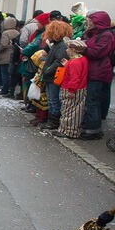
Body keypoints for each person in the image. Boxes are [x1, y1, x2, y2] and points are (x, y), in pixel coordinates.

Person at [80, 11, 113, 141]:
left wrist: (83, 48)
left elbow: (98, 52)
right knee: (90, 100)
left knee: (93, 101)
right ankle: (90, 126)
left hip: (98, 72)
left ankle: (93, 130)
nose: (88, 23)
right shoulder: (95, 34)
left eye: (91, 20)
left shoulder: (106, 35)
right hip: (92, 70)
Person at [40, 20, 74, 130]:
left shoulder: (61, 46)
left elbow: (59, 61)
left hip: (54, 76)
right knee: (52, 99)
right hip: (52, 76)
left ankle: (54, 122)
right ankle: (53, 121)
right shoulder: (58, 45)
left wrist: (48, 70)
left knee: (53, 99)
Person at [54, 39, 89, 139]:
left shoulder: (75, 62)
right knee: (76, 109)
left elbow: (75, 77)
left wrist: (71, 90)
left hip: (71, 89)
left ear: (74, 50)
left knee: (69, 110)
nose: (67, 50)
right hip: (80, 88)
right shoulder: (81, 59)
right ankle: (68, 130)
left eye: (69, 48)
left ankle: (69, 131)